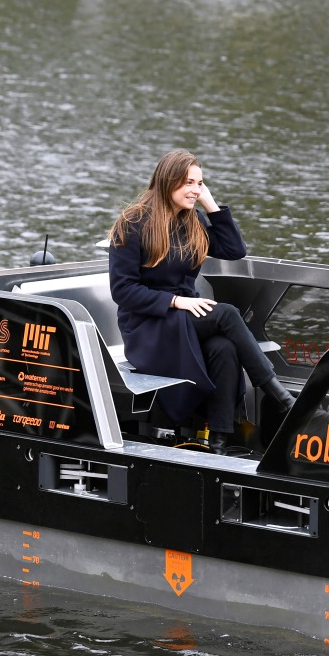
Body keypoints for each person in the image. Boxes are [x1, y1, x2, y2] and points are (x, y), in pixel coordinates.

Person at [108, 149, 295, 453]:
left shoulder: (191, 220)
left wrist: (209, 204)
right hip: (147, 328)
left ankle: (218, 443)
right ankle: (280, 396)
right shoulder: (132, 224)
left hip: (181, 320)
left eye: (200, 183)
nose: (195, 190)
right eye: (189, 183)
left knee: (223, 348)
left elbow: (235, 250)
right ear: (168, 182)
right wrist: (175, 302)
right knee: (227, 315)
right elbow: (123, 290)